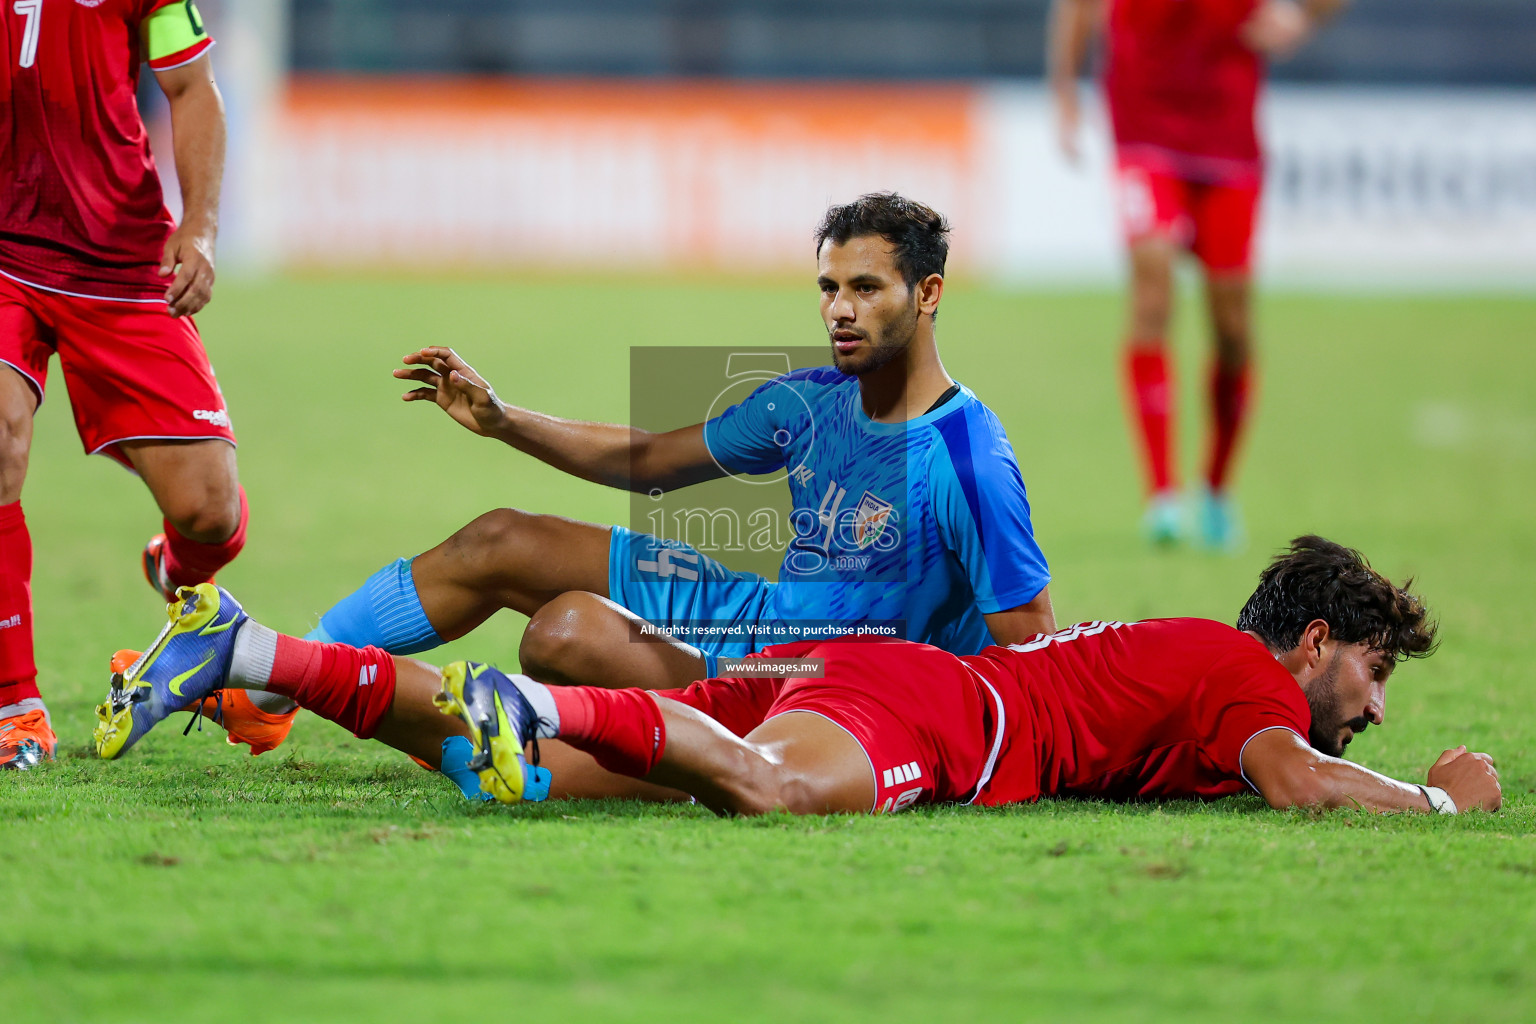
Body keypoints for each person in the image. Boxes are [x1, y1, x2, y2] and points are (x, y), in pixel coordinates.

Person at [128, 193, 1056, 772]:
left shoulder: (967, 460)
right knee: (502, 540)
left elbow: (1030, 659)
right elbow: (650, 461)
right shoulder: (811, 404)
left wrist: (907, 738)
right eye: (828, 287)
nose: (839, 310)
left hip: (803, 685)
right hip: (751, 615)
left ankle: (515, 739)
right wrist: (505, 420)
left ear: (927, 296)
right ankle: (267, 691)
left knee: (563, 632)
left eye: (867, 288)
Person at [99, 536, 1501, 819]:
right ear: (1311, 646)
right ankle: (549, 698)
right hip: (931, 710)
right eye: (1375, 672)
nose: (1378, 705)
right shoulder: (1248, 682)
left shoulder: (1191, 660)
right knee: (767, 795)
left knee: (495, 773)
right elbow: (1305, 782)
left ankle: (250, 648)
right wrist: (1443, 800)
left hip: (840, 662)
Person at [0, 1, 285, 768]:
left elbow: (190, 89)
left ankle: (179, 575)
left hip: (116, 259)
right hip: (5, 254)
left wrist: (199, 226)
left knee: (208, 509)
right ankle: (13, 705)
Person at [1048, 0, 1347, 548]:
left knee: (1232, 327)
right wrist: (1064, 91)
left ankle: (1215, 489)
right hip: (1143, 129)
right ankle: (1163, 494)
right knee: (1152, 289)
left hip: (1227, 137)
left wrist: (1304, 17)